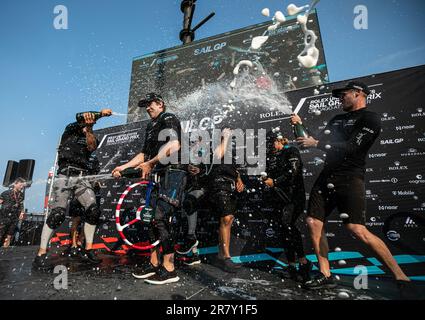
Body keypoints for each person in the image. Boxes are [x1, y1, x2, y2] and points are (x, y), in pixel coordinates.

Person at [290, 81, 411, 290]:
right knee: (313, 222)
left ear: (358, 94)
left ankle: (401, 277)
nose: (340, 98)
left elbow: (352, 148)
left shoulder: (370, 118)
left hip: (350, 177)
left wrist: (316, 143)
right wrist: (298, 126)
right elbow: (315, 141)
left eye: (343, 94)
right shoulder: (337, 119)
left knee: (357, 229)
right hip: (326, 176)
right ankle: (325, 274)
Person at [112, 93, 187, 285]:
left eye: (149, 104)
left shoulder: (168, 118)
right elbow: (144, 154)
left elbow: (174, 145)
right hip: (158, 174)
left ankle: (169, 268)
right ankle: (154, 263)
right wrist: (124, 167)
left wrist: (150, 163)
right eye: (144, 105)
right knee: (149, 217)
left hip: (173, 172)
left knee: (160, 217)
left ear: (160, 104)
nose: (147, 108)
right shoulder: (150, 126)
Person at [33, 109, 112, 269]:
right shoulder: (70, 130)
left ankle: (88, 249)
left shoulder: (91, 138)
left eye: (90, 122)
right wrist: (101, 114)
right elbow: (79, 116)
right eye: (87, 121)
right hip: (64, 175)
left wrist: (90, 127)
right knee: (57, 214)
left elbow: (91, 146)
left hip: (82, 178)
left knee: (93, 210)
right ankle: (41, 253)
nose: (87, 123)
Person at [263, 130, 312, 283]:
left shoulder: (291, 150)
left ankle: (304, 263)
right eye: (268, 144)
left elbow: (294, 172)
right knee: (284, 229)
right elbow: (270, 176)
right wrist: (266, 179)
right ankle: (291, 265)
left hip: (293, 197)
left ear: (280, 140)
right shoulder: (270, 156)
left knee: (288, 225)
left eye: (272, 143)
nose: (270, 147)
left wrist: (275, 181)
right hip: (279, 199)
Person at [206, 128, 245, 273]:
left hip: (231, 185)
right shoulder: (216, 145)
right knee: (226, 218)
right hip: (218, 184)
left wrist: (239, 179)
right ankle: (226, 258)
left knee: (228, 219)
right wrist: (225, 138)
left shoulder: (232, 151)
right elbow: (217, 156)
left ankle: (222, 255)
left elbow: (234, 169)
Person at [0, 178, 26, 247]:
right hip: (4, 217)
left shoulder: (21, 195)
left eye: (23, 186)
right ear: (15, 184)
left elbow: (21, 204)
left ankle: (5, 252)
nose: (22, 187)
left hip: (14, 218)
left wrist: (22, 213)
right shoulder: (5, 193)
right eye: (21, 185)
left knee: (10, 235)